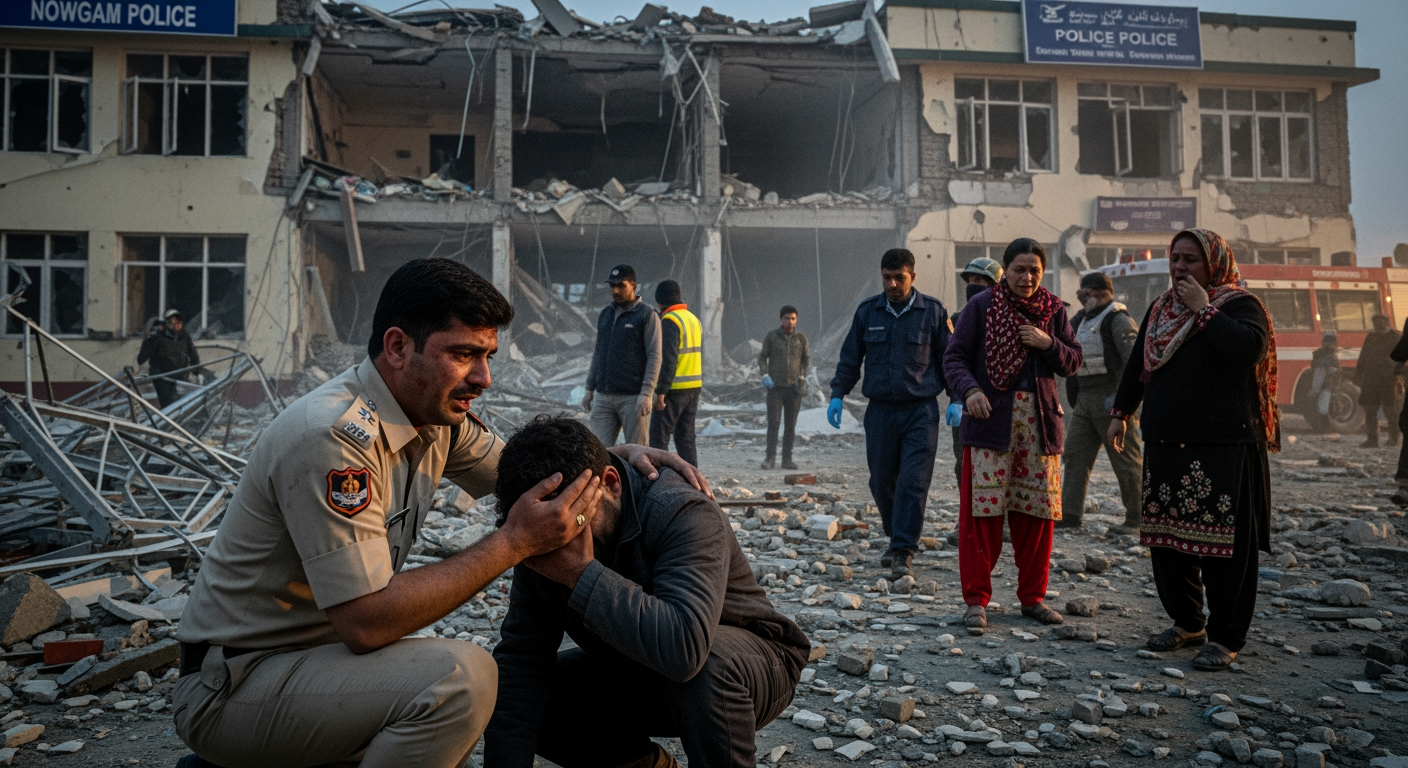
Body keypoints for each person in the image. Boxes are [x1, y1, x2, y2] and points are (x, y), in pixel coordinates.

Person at [172, 259, 706, 768]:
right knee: (459, 678)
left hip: (312, 664)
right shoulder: (334, 436)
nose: (484, 377)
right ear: (399, 347)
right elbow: (365, 622)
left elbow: (530, 475)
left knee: (425, 705)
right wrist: (511, 543)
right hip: (236, 683)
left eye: (489, 356)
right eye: (464, 354)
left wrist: (608, 461)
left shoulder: (433, 418)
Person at [484, 416, 809, 768]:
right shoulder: (539, 530)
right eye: (543, 531)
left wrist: (580, 573)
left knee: (706, 666)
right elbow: (522, 662)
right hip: (638, 667)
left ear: (610, 483)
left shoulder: (681, 510)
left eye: (572, 521)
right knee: (511, 688)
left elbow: (685, 649)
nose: (556, 537)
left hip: (751, 668)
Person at [1107, 229, 1279, 672]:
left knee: (1225, 546)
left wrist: (1204, 308)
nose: (1180, 267)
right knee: (1167, 541)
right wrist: (1121, 412)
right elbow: (1138, 366)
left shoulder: (1240, 305)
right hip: (1165, 442)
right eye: (1176, 258)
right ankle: (1188, 622)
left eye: (1191, 260)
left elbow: (1248, 349)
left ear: (1213, 265)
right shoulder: (1160, 309)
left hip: (1222, 445)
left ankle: (1226, 637)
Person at [942, 238, 1081, 631]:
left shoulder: (1054, 312)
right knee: (981, 516)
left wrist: (1047, 342)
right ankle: (976, 601)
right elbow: (953, 356)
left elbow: (1073, 361)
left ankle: (1033, 598)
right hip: (990, 424)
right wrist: (969, 391)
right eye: (1020, 269)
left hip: (1038, 428)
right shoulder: (981, 307)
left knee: (1036, 516)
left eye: (1035, 270)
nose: (1028, 277)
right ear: (1006, 271)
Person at [829, 248, 951, 579]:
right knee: (881, 480)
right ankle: (896, 532)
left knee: (913, 482)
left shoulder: (933, 313)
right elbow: (851, 357)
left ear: (913, 276)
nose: (893, 284)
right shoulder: (869, 312)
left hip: (920, 412)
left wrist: (957, 398)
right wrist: (838, 393)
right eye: (887, 277)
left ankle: (902, 550)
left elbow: (950, 361)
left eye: (900, 277)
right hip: (880, 411)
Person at [1060, 271, 1142, 530]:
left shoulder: (1118, 320)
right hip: (1084, 398)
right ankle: (1070, 515)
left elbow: (1134, 362)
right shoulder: (1082, 319)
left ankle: (1137, 517)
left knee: (1125, 459)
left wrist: (1126, 405)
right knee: (1074, 456)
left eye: (1085, 290)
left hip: (1112, 399)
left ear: (1097, 291)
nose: (1080, 295)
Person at [584, 264, 662, 447]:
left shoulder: (646, 315)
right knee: (596, 451)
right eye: (612, 286)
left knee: (638, 454)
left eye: (621, 286)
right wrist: (589, 388)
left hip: (633, 398)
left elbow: (654, 355)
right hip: (603, 397)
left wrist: (646, 393)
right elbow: (598, 352)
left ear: (633, 286)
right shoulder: (605, 314)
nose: (615, 291)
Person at [950, 258, 1002, 485]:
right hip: (966, 398)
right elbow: (951, 361)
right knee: (964, 462)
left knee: (996, 463)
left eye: (979, 280)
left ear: (995, 284)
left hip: (998, 402)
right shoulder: (957, 319)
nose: (973, 284)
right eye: (970, 280)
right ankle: (967, 518)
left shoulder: (1005, 318)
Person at [649, 279, 704, 466]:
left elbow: (668, 360)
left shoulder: (669, 321)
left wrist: (661, 392)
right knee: (686, 438)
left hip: (674, 389)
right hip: (694, 386)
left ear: (659, 301)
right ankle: (693, 484)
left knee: (658, 440)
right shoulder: (693, 319)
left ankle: (660, 484)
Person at [759, 305, 811, 470]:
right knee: (773, 424)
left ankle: (787, 459)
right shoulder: (772, 337)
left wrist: (802, 375)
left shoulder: (801, 339)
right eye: (787, 318)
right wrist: (764, 375)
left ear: (797, 320)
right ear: (781, 319)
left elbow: (806, 359)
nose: (790, 322)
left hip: (793, 389)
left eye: (793, 318)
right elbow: (762, 358)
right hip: (775, 388)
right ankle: (770, 459)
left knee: (790, 426)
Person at [137, 308, 201, 407]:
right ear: (166, 323)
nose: (175, 325)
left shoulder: (184, 337)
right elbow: (142, 358)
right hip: (163, 377)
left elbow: (192, 353)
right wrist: (150, 340)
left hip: (180, 376)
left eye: (178, 322)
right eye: (171, 322)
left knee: (183, 403)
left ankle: (180, 421)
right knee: (168, 404)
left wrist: (196, 368)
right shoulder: (158, 338)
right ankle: (167, 420)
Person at [1356, 314, 1401, 448]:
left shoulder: (1394, 337)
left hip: (1388, 380)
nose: (1378, 324)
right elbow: (1363, 355)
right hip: (1370, 379)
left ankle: (1393, 438)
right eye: (1375, 321)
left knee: (1390, 409)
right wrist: (1358, 372)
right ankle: (1372, 439)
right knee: (1370, 409)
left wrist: (1392, 368)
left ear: (1386, 322)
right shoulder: (1371, 336)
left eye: (1381, 321)